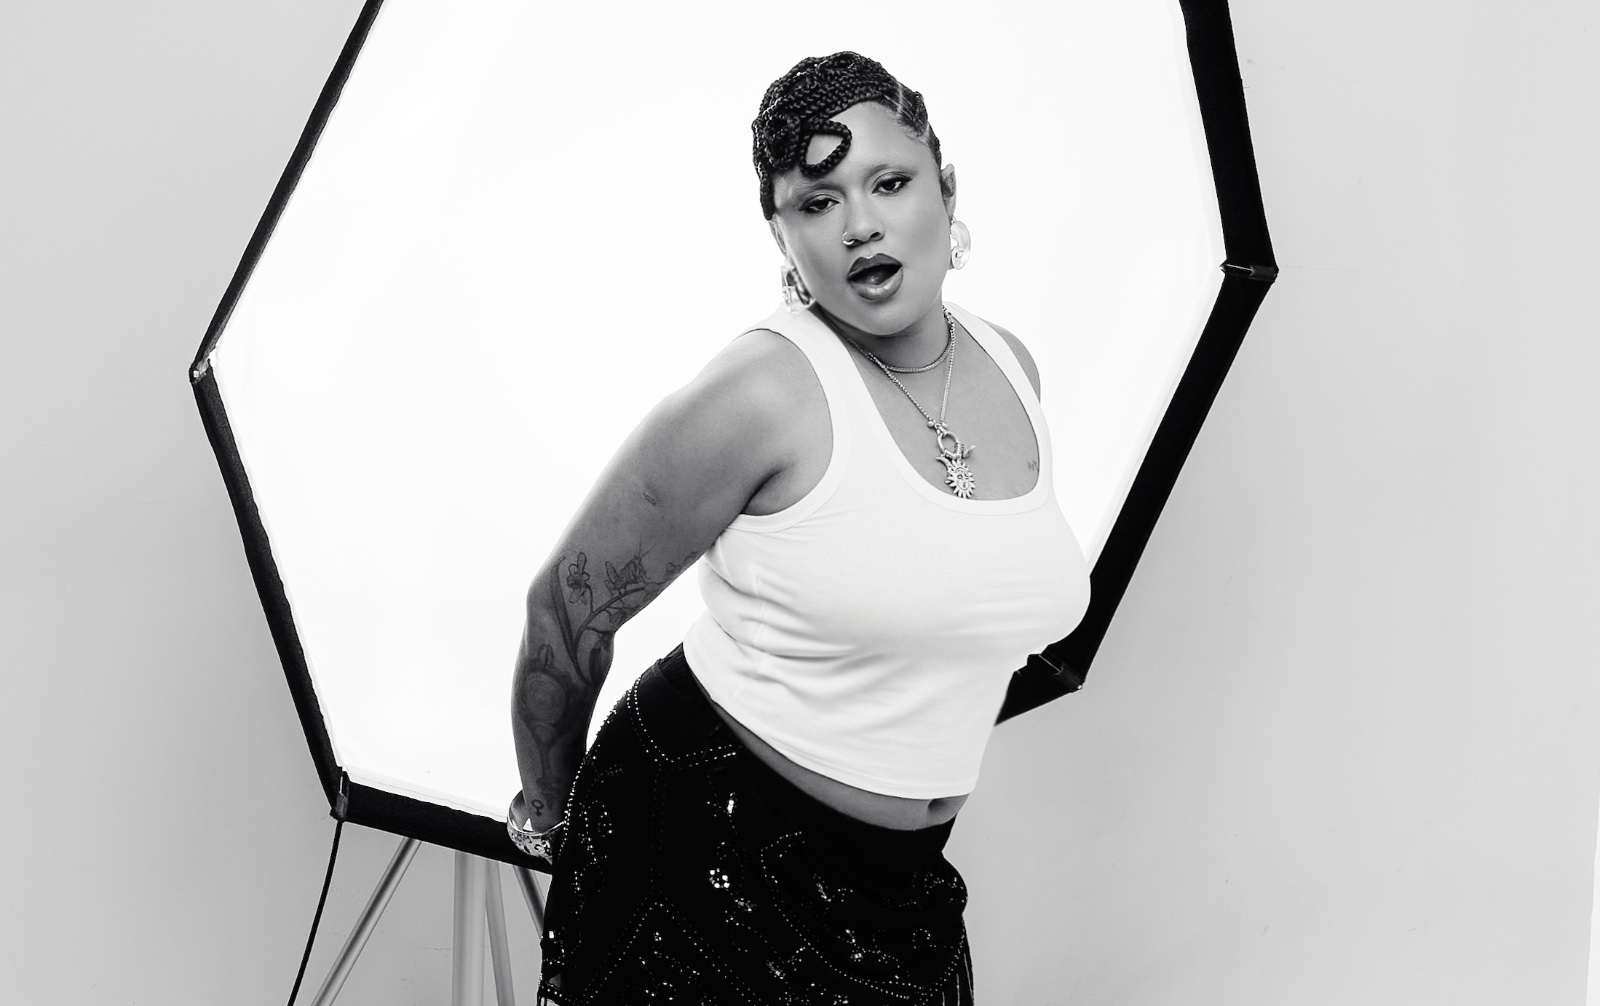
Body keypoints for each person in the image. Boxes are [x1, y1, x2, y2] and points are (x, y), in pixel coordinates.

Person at [508, 51, 1090, 1005]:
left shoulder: (1014, 367)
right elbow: (563, 614)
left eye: (889, 183)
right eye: (817, 202)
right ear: (781, 236)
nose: (860, 224)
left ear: (946, 189)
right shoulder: (760, 394)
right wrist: (557, 833)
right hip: (705, 856)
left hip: (904, 895)